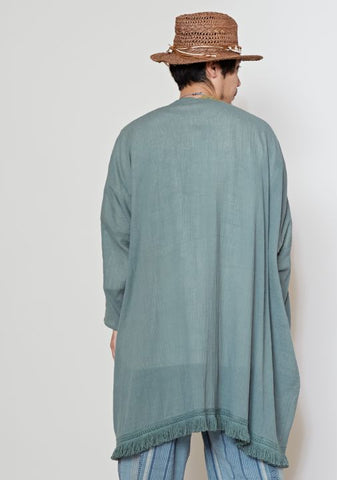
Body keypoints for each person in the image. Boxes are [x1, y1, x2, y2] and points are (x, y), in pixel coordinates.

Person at [100, 11, 300, 480]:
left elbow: (116, 239)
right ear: (212, 68)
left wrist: (119, 317)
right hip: (237, 344)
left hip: (156, 343)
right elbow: (280, 250)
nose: (239, 82)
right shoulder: (259, 139)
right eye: (235, 69)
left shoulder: (133, 139)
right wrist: (273, 327)